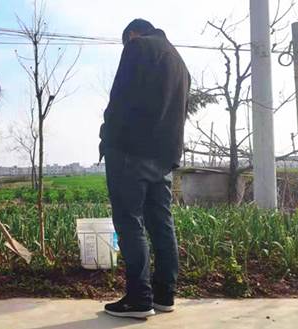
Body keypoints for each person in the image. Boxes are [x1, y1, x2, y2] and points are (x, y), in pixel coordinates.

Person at [99, 19, 190, 319]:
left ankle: (139, 299)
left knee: (129, 222)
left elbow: (119, 99)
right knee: (161, 225)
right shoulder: (180, 62)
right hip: (164, 157)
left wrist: (107, 138)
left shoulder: (137, 47)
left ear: (133, 34)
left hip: (130, 152)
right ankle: (165, 295)